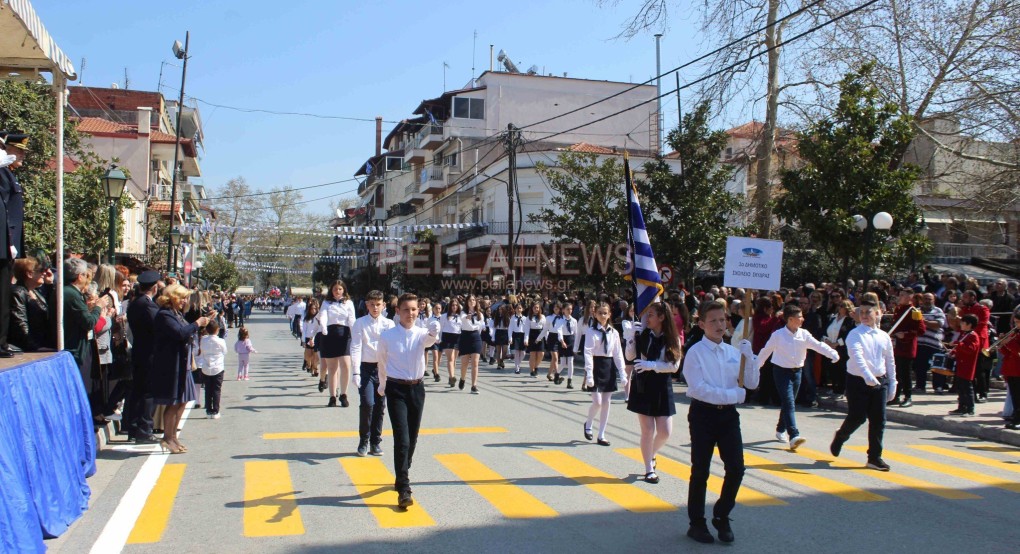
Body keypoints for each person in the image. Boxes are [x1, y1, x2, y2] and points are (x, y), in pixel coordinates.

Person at [682, 300, 760, 544]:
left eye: (722, 320)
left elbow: (752, 383)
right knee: (701, 470)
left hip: (727, 416)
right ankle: (696, 523)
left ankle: (722, 514)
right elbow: (699, 389)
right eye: (713, 320)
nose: (719, 324)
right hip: (703, 415)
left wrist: (750, 357)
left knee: (736, 468)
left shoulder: (732, 351)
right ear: (702, 324)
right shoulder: (695, 352)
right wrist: (732, 395)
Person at [377, 293, 441, 509]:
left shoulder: (421, 333)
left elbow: (431, 339)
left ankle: (403, 468)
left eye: (414, 309)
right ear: (398, 311)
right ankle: (404, 488)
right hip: (396, 389)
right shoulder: (388, 336)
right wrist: (383, 384)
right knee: (402, 439)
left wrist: (434, 327)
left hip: (416, 388)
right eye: (406, 309)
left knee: (412, 438)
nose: (411, 314)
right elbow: (382, 362)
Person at [755, 303, 839, 450]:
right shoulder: (778, 335)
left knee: (789, 402)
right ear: (790, 319)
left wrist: (832, 353)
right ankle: (794, 435)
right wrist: (756, 367)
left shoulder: (804, 334)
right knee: (789, 402)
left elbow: (818, 345)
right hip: (781, 371)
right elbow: (766, 351)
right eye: (799, 317)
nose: (802, 319)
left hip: (797, 372)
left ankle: (780, 429)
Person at [829, 302, 896, 472]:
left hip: (879, 381)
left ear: (878, 313)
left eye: (869, 312)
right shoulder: (855, 334)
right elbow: (857, 357)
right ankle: (841, 436)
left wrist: (893, 382)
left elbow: (889, 360)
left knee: (879, 420)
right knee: (857, 417)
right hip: (858, 381)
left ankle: (874, 457)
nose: (865, 315)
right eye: (862, 312)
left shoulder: (883, 336)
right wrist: (867, 376)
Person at [625, 302, 682, 483]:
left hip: (662, 384)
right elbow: (630, 356)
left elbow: (674, 367)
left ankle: (652, 453)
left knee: (665, 431)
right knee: (648, 430)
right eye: (647, 314)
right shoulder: (643, 335)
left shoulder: (673, 338)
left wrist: (651, 365)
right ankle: (649, 468)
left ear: (661, 318)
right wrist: (631, 338)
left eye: (650, 315)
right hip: (643, 384)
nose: (646, 318)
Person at [152, 284, 211, 454]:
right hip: (171, 364)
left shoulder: (177, 314)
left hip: (183, 362)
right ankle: (167, 437)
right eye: (182, 298)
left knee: (182, 402)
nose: (185, 301)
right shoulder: (164, 315)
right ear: (172, 297)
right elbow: (179, 333)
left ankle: (173, 437)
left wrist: (202, 321)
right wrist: (197, 323)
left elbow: (185, 330)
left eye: (186, 298)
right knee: (173, 402)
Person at [350, 290, 395, 457]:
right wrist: (355, 372)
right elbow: (355, 347)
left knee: (380, 406)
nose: (375, 308)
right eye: (372, 304)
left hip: (383, 368)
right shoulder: (359, 323)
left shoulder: (389, 324)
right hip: (366, 368)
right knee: (368, 404)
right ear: (366, 305)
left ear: (384, 305)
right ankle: (364, 440)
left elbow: (392, 348)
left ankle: (376, 441)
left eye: (378, 304)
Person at [582, 301, 628, 446]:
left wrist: (623, 373)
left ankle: (601, 434)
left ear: (609, 315)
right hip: (596, 366)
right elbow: (588, 352)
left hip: (608, 367)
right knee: (597, 402)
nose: (603, 315)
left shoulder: (614, 333)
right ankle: (588, 423)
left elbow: (618, 354)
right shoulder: (591, 331)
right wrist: (589, 373)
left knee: (606, 402)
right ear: (595, 314)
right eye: (600, 313)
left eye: (605, 313)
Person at [315, 281, 356, 407]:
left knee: (346, 365)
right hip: (329, 334)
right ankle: (332, 396)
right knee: (332, 368)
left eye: (339, 289)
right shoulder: (326, 303)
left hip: (344, 334)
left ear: (343, 290)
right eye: (334, 289)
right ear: (331, 291)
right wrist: (323, 327)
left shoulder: (348, 303)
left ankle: (343, 394)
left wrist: (354, 334)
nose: (337, 291)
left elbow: (351, 319)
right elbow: (323, 316)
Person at [888, 289, 926, 408]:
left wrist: (905, 334)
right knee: (897, 372)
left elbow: (921, 330)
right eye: (900, 294)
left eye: (903, 295)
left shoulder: (913, 311)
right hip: (896, 345)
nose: (900, 297)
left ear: (910, 297)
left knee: (906, 373)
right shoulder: (898, 309)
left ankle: (908, 396)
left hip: (907, 346)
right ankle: (896, 396)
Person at [9, 256, 49, 351]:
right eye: (41, 270)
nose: (44, 273)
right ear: (29, 273)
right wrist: (35, 348)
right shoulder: (18, 292)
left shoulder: (36, 292)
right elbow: (20, 323)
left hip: (41, 343)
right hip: (28, 348)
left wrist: (50, 285)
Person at [948, 314, 981, 417]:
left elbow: (971, 349)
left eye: (963, 322)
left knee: (967, 387)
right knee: (961, 387)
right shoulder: (964, 334)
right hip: (961, 364)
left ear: (969, 325)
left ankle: (970, 408)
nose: (961, 324)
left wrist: (959, 344)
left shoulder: (973, 335)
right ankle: (961, 407)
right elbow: (961, 349)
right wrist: (953, 352)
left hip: (968, 365)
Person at [198, 319, 227, 419]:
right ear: (217, 330)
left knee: (208, 389)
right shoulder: (220, 341)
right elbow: (225, 351)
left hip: (206, 366)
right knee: (216, 389)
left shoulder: (203, 340)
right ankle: (216, 410)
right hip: (218, 367)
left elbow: (201, 351)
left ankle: (208, 410)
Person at [997, 310, 1020, 429]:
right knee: (1014, 396)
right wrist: (1002, 345)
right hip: (1011, 368)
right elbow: (1007, 353)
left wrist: (1009, 343)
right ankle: (1015, 418)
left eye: (1018, 322)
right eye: (1015, 322)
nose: (1016, 325)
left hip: (1018, 368)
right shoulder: (1014, 333)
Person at [458, 295, 485, 393]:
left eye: (473, 300)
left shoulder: (480, 314)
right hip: (465, 336)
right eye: (470, 300)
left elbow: (481, 326)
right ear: (467, 302)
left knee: (475, 362)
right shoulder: (463, 313)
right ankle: (462, 378)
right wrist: (467, 317)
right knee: (465, 363)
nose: (472, 302)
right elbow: (462, 318)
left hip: (476, 337)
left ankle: (474, 385)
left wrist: (478, 336)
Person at [553, 301, 577, 387]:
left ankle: (569, 381)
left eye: (571, 309)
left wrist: (576, 345)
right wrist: (562, 341)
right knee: (563, 363)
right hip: (563, 340)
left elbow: (576, 333)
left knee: (570, 361)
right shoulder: (560, 320)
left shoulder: (574, 320)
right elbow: (559, 331)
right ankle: (557, 374)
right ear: (563, 310)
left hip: (571, 340)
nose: (570, 311)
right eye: (568, 309)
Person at [439, 297, 462, 387]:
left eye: (456, 305)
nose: (454, 307)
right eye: (453, 305)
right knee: (450, 358)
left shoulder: (460, 316)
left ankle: (451, 376)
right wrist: (439, 338)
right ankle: (452, 376)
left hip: (457, 337)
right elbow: (440, 328)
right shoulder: (444, 316)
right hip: (447, 336)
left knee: (454, 359)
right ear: (450, 306)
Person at [524, 301, 547, 378]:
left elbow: (545, 328)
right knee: (533, 354)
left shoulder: (543, 317)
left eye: (537, 307)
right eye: (534, 307)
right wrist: (526, 339)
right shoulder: (528, 317)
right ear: (532, 308)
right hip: (532, 335)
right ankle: (532, 371)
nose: (536, 309)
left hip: (540, 335)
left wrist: (547, 338)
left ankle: (536, 366)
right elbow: (526, 329)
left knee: (541, 354)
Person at [301, 299, 321, 376]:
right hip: (308, 338)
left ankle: (315, 369)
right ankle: (308, 364)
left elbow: (319, 329)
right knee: (308, 355)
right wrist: (304, 341)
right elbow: (304, 330)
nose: (313, 310)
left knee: (315, 356)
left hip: (316, 338)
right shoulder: (307, 319)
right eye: (312, 309)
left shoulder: (318, 318)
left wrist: (314, 338)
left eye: (315, 309)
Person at [508, 303, 527, 374]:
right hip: (515, 335)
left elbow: (526, 329)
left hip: (522, 335)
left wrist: (526, 339)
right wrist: (510, 338)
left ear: (522, 309)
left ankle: (518, 364)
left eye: (520, 308)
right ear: (515, 309)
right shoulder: (512, 318)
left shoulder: (525, 318)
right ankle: (517, 368)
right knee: (516, 353)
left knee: (523, 353)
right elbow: (510, 328)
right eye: (517, 308)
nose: (519, 310)